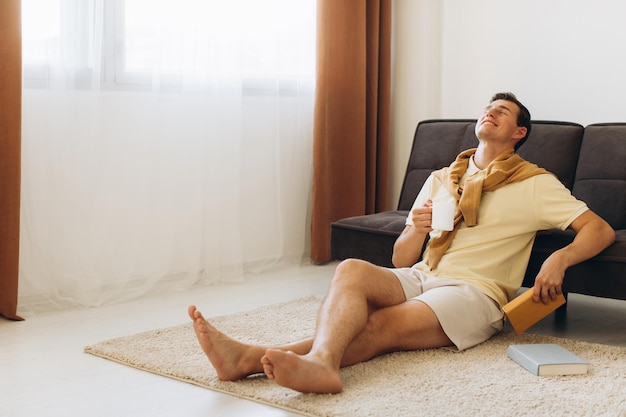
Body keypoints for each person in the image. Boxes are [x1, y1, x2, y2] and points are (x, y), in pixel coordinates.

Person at [188, 92, 615, 394]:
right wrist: (415, 228)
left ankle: (253, 360)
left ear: (518, 132)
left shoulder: (535, 183)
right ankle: (314, 362)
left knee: (378, 326)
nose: (490, 113)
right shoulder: (442, 179)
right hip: (422, 273)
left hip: (473, 293)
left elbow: (599, 229)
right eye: (487, 108)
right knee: (351, 268)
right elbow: (401, 257)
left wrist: (559, 258)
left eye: (501, 112)